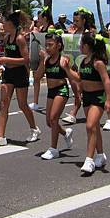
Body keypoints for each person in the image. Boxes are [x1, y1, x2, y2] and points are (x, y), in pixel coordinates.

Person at [0, 11, 41, 147]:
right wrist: (2, 63)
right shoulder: (6, 38)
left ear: (11, 24)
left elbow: (26, 59)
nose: (3, 24)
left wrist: (7, 59)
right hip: (9, 73)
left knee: (22, 104)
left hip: (20, 73)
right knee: (4, 103)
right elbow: (7, 55)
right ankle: (1, 136)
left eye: (5, 22)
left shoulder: (20, 39)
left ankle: (34, 128)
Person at [34, 29, 78, 159]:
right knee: (49, 122)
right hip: (51, 92)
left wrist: (77, 97)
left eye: (50, 45)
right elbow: (37, 77)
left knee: (53, 119)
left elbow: (73, 78)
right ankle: (65, 133)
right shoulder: (47, 61)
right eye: (46, 45)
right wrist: (42, 61)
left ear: (58, 46)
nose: (47, 47)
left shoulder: (64, 59)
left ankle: (53, 149)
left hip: (61, 90)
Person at [75, 33, 110, 174]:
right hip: (87, 97)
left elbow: (106, 81)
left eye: (81, 44)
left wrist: (109, 100)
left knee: (90, 126)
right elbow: (80, 79)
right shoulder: (83, 61)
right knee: (94, 127)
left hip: (98, 97)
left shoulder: (98, 63)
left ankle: (89, 160)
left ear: (87, 46)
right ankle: (100, 155)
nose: (79, 46)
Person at [62, 7, 94, 125]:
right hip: (74, 66)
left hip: (85, 66)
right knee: (77, 90)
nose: (74, 23)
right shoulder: (73, 33)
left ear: (83, 21)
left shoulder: (88, 34)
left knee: (80, 90)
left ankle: (73, 113)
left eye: (77, 21)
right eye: (74, 20)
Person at [29, 6, 54, 111]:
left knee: (50, 81)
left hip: (49, 58)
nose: (38, 20)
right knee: (36, 78)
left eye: (39, 18)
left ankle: (51, 102)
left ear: (45, 18)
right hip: (42, 58)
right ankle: (35, 102)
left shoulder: (51, 28)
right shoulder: (41, 29)